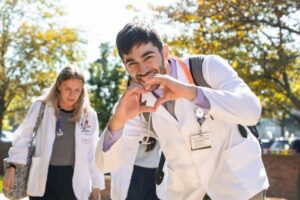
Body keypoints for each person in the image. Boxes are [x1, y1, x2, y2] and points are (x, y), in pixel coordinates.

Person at [95, 21, 269, 200]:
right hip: (186, 193)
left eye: (148, 57)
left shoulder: (206, 68)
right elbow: (105, 164)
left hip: (237, 187)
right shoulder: (135, 103)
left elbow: (252, 110)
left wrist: (192, 93)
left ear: (164, 52)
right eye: (132, 63)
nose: (143, 70)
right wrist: (117, 122)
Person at [3, 65, 105, 200]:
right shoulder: (41, 106)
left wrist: (97, 184)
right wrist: (12, 166)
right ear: (58, 85)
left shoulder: (89, 115)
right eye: (68, 89)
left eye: (77, 90)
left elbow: (93, 151)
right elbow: (23, 137)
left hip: (74, 179)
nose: (72, 95)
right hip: (44, 176)